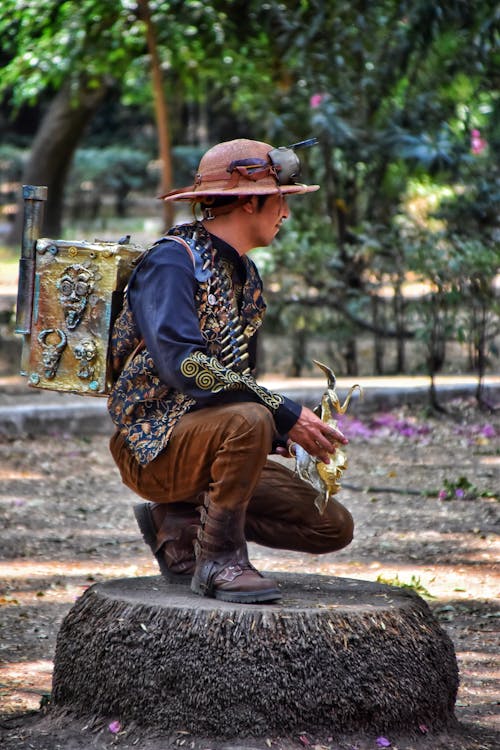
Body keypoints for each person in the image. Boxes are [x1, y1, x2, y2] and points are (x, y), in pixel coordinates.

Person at [107, 138, 353, 605]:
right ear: (249, 201)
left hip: (213, 436)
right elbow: (187, 365)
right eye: (281, 201)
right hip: (150, 446)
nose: (285, 214)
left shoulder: (244, 273)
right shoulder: (171, 261)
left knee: (330, 526)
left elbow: (236, 380)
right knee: (252, 419)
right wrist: (280, 414)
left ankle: (177, 521)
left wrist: (282, 436)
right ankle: (220, 560)